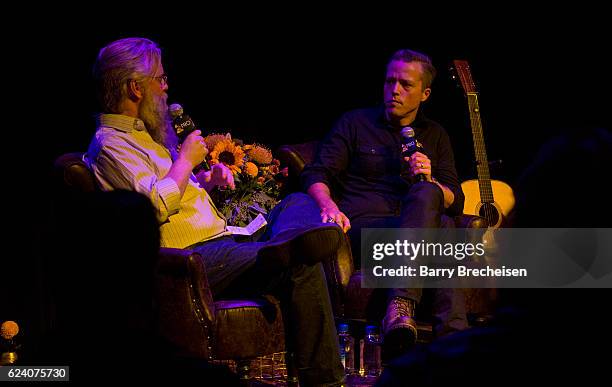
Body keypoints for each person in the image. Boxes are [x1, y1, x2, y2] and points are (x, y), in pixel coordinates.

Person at [86, 37, 345, 387]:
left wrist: (204, 182)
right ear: (135, 88)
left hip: (224, 242)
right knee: (301, 260)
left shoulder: (145, 136)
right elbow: (147, 210)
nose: (166, 87)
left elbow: (170, 193)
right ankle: (326, 381)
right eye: (159, 79)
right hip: (193, 257)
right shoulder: (111, 145)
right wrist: (184, 162)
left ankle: (289, 242)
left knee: (297, 203)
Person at [302, 48, 468, 359]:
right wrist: (328, 205)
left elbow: (455, 199)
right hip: (364, 232)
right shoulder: (355, 123)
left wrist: (431, 181)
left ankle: (414, 322)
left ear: (425, 93)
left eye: (405, 84)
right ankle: (453, 344)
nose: (394, 91)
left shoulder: (436, 135)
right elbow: (317, 171)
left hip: (415, 238)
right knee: (443, 229)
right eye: (389, 81)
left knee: (439, 214)